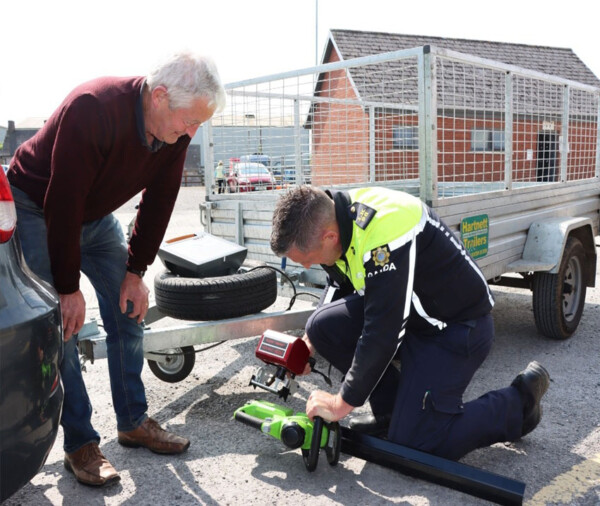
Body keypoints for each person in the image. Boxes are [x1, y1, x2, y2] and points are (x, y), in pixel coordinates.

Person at [7, 51, 226, 486]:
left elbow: (161, 201)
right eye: (189, 120)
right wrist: (68, 289)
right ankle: (80, 443)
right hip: (37, 205)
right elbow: (62, 203)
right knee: (61, 325)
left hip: (94, 213)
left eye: (199, 124)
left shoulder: (175, 132)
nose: (193, 132)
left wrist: (136, 271)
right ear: (159, 97)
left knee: (130, 306)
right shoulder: (93, 109)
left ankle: (132, 421)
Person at [270, 185, 550, 461]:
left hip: (454, 329)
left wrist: (341, 403)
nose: (307, 267)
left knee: (417, 443)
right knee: (321, 328)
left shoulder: (385, 229)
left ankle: (519, 404)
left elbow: (383, 331)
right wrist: (308, 343)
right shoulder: (335, 219)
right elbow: (339, 284)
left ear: (329, 237)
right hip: (414, 320)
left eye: (307, 260)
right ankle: (391, 413)